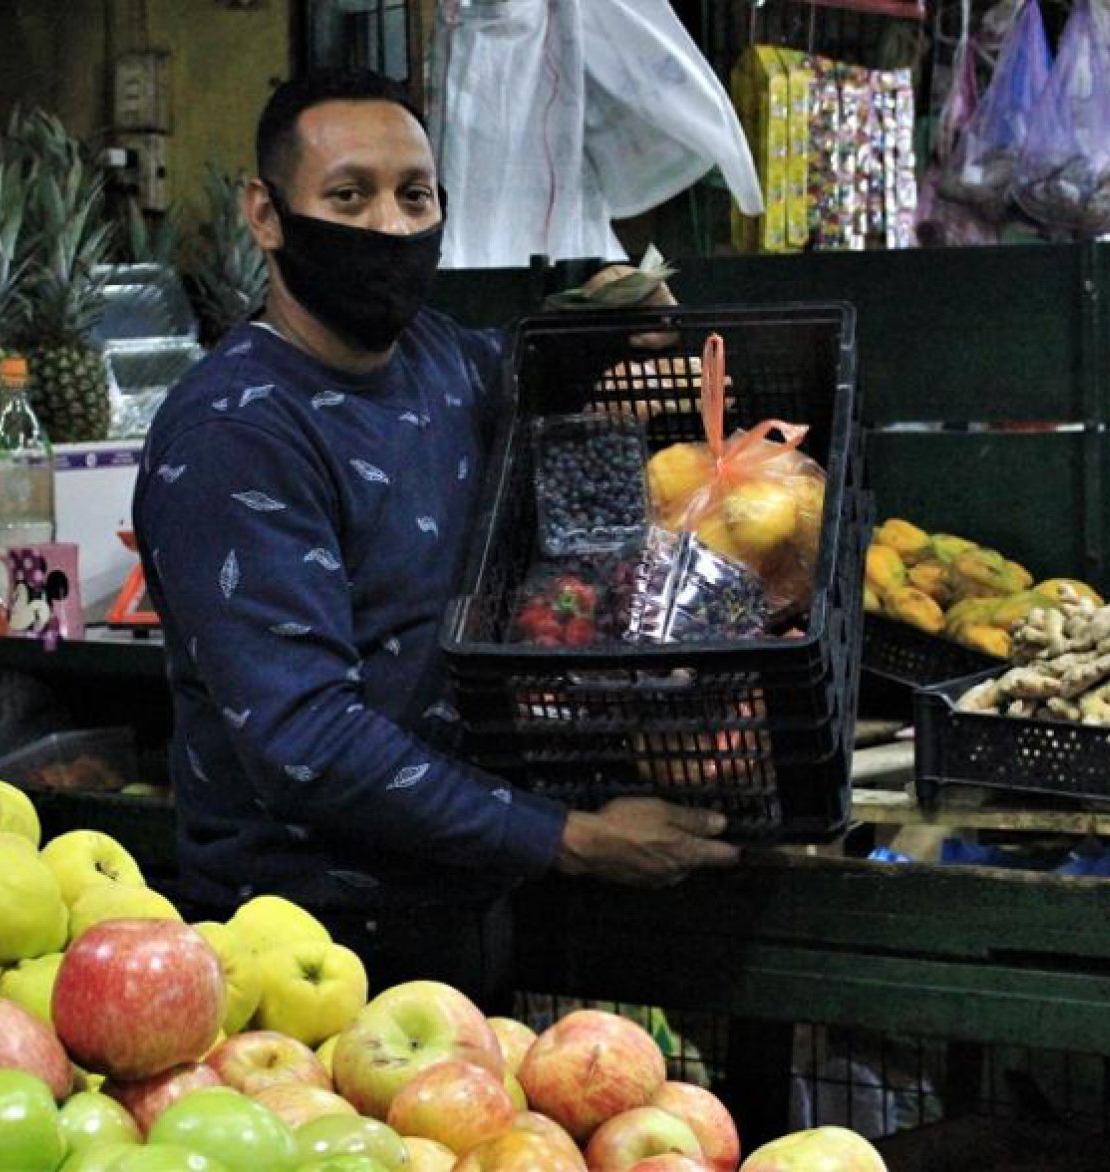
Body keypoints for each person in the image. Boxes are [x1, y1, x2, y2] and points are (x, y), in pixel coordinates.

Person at [132, 68, 737, 1010]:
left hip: (459, 909)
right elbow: (307, 741)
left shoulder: (439, 358)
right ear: (266, 213)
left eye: (414, 196)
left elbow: (524, 369)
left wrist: (604, 322)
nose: (387, 227)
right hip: (300, 949)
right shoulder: (238, 434)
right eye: (348, 195)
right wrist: (570, 836)